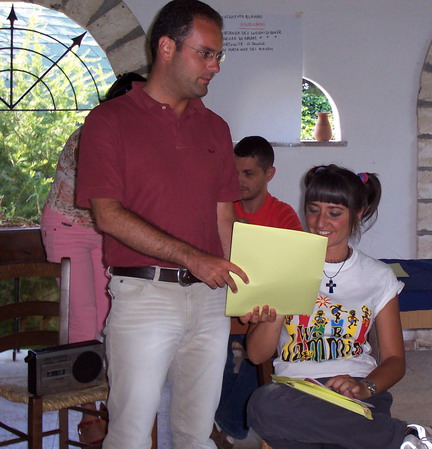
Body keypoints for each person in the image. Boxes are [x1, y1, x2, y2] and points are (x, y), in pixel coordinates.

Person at [75, 1, 249, 448]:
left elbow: (224, 218)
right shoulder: (108, 121)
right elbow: (107, 214)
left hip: (210, 300)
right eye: (205, 53)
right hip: (144, 296)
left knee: (196, 433)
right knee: (130, 434)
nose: (215, 66)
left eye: (219, 56)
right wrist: (193, 257)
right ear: (167, 48)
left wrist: (250, 290)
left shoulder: (216, 128)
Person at [243, 165, 432, 449]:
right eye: (313, 210)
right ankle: (401, 438)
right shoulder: (283, 267)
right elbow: (256, 355)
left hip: (356, 392)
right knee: (263, 404)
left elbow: (394, 360)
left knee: (292, 428)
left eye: (334, 213)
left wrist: (364, 387)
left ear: (357, 213)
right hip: (295, 391)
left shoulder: (378, 276)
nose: (320, 222)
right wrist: (278, 305)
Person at [40, 71, 145, 445]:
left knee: (110, 316)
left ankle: (107, 405)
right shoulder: (91, 134)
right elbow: (104, 192)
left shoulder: (132, 136)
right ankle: (88, 415)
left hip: (103, 229)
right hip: (68, 226)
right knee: (84, 322)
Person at [214, 136, 303, 447]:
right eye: (235, 173)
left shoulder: (284, 215)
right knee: (215, 360)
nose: (239, 181)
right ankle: (224, 422)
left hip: (261, 310)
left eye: (248, 173)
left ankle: (228, 424)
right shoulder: (222, 211)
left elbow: (294, 268)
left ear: (269, 174)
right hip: (220, 304)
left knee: (256, 359)